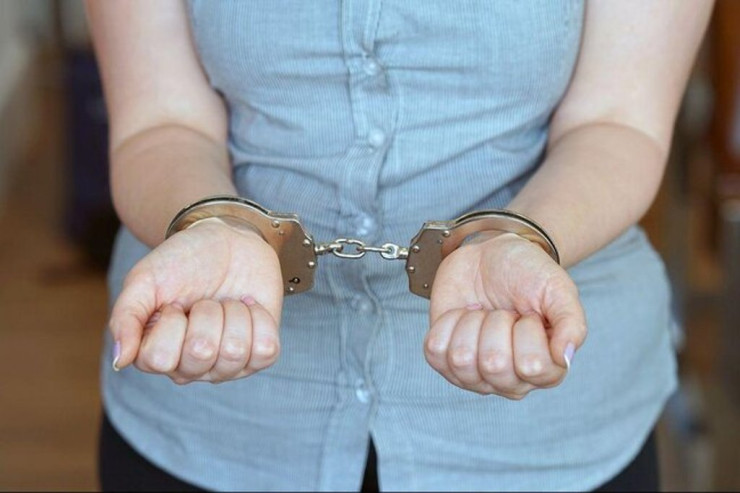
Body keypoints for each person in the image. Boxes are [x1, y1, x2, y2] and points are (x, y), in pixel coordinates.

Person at [86, 1, 713, 491]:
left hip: (547, 439)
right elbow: (159, 121)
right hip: (217, 428)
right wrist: (212, 223)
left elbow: (617, 121)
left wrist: (518, 236)